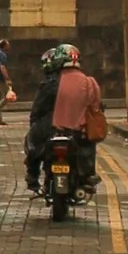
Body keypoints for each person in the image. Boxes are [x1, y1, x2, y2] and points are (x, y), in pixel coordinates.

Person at [25, 40, 107, 195]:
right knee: (88, 144)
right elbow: (96, 107)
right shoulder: (88, 82)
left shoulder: (51, 82)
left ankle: (32, 176)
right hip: (77, 132)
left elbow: (37, 109)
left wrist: (35, 123)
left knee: (32, 144)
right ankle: (87, 176)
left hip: (51, 131)